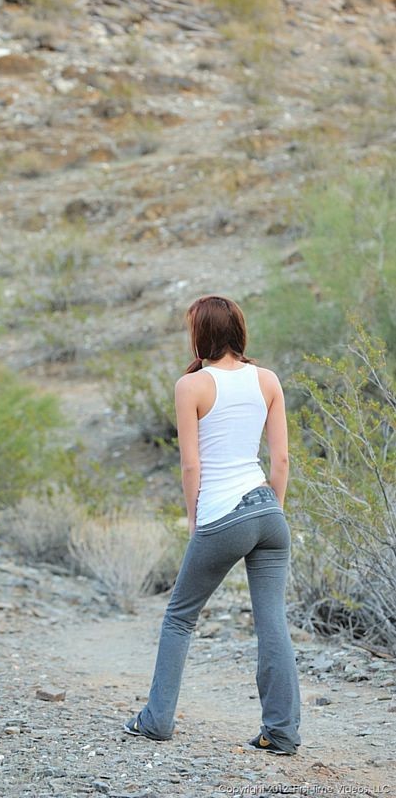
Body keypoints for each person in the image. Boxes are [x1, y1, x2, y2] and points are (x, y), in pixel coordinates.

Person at [124, 294, 301, 756]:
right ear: (238, 332)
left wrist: (194, 518)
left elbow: (191, 467)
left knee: (180, 617)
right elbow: (280, 459)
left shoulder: (193, 386)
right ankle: (280, 732)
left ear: (200, 335)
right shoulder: (267, 380)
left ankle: (157, 720)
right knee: (272, 625)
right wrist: (273, 511)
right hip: (267, 510)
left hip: (223, 512)